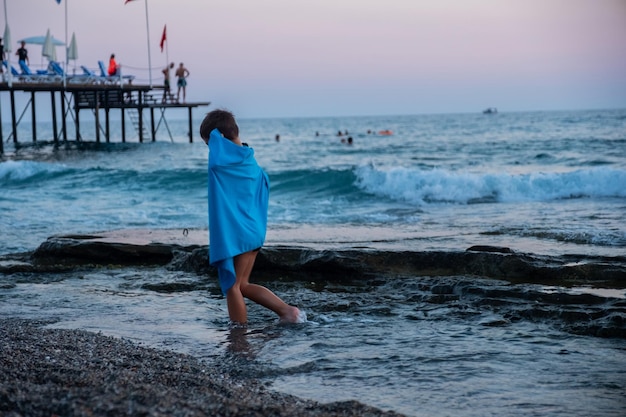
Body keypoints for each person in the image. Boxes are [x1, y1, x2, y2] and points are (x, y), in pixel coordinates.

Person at [200, 109, 305, 327]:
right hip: (254, 230)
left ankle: (239, 338)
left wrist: (216, 139)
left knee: (232, 286)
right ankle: (288, 312)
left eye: (208, 144)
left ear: (218, 140)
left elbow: (218, 157)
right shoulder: (250, 163)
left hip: (239, 234)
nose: (209, 150)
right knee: (243, 284)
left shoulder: (222, 164)